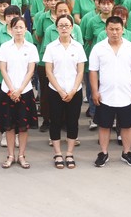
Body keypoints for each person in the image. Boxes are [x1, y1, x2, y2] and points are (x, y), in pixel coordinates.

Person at [88, 16, 131, 168]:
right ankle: (103, 153)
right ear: (106, 30)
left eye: (117, 29)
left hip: (126, 95)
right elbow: (93, 71)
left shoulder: (130, 47)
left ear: (122, 30)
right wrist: (95, 91)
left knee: (126, 126)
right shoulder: (98, 48)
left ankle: (126, 153)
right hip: (105, 95)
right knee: (104, 125)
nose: (114, 32)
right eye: (111, 29)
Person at [42, 12, 87, 169]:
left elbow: (80, 71)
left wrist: (73, 90)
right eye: (61, 26)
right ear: (56, 28)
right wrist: (60, 90)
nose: (64, 28)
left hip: (75, 91)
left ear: (72, 27)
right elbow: (49, 71)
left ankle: (69, 153)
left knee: (72, 122)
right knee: (55, 121)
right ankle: (57, 153)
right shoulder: (51, 47)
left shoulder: (78, 47)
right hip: (55, 91)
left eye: (67, 25)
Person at [0, 15, 39, 169]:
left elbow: (31, 70)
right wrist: (12, 89)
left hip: (25, 91)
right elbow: (3, 69)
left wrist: (20, 89)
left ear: (26, 29)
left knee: (23, 126)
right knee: (9, 126)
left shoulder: (31, 48)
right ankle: (10, 155)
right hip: (7, 91)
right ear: (11, 29)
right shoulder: (5, 47)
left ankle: (21, 155)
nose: (18, 30)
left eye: (21, 27)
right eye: (15, 27)